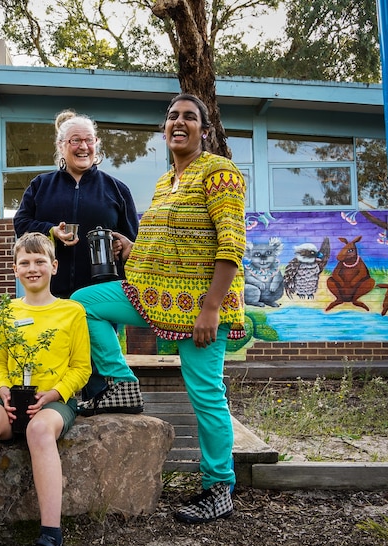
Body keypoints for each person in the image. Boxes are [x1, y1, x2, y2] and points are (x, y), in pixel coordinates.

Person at [71, 94, 247, 524]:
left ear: (205, 131)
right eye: (173, 117)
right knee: (83, 304)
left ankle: (218, 487)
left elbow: (231, 243)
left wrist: (212, 308)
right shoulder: (165, 181)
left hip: (203, 308)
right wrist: (132, 247)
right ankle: (120, 381)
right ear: (164, 129)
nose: (179, 122)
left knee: (206, 396)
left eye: (190, 117)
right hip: (155, 295)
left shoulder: (219, 172)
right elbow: (169, 243)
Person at [0, 232, 91, 546]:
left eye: (39, 262)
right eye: (24, 262)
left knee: (38, 430)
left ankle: (51, 538)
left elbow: (82, 368)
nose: (32, 268)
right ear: (15, 269)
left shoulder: (72, 311)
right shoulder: (7, 311)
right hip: (12, 398)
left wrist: (53, 394)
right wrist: (3, 388)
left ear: (53, 265)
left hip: (54, 402)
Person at [13, 109, 138, 299]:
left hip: (101, 297)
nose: (83, 146)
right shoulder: (41, 185)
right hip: (50, 294)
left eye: (89, 140)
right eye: (75, 140)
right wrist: (52, 231)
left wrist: (120, 249)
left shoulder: (117, 189)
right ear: (61, 145)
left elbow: (133, 242)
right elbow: (21, 224)